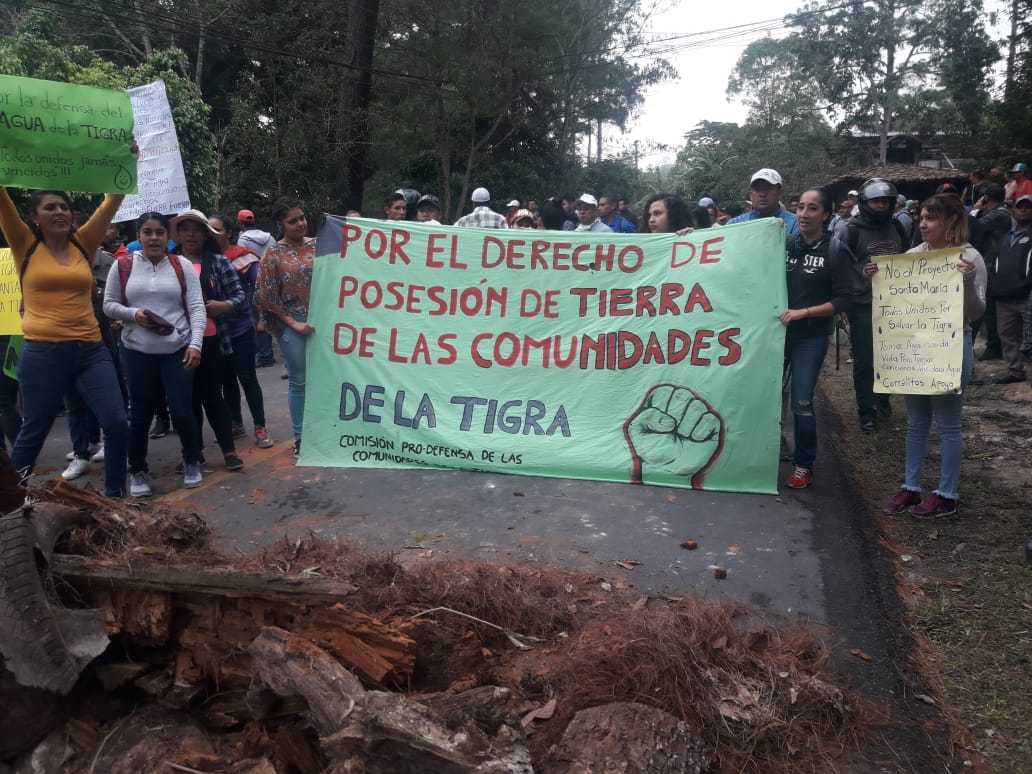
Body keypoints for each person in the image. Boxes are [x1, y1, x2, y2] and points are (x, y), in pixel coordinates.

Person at [0, 178, 133, 497]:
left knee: (116, 424)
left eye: (64, 206)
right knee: (33, 432)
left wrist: (123, 160)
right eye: (50, 207)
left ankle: (115, 499)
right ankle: (11, 507)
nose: (59, 211)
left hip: (91, 352)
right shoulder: (24, 244)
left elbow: (113, 198)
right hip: (43, 355)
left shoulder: (83, 243)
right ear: (35, 217)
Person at [870, 194, 986, 518]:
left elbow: (977, 312)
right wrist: (878, 280)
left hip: (949, 347)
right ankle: (910, 487)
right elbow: (897, 302)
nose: (922, 224)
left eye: (930, 218)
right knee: (916, 424)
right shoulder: (912, 256)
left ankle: (946, 494)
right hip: (914, 346)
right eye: (921, 217)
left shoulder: (969, 256)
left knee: (949, 425)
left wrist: (968, 278)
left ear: (950, 220)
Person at [103, 212, 207, 495]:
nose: (153, 238)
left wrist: (195, 344)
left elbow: (197, 307)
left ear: (167, 236)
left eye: (159, 232)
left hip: (177, 349)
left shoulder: (181, 265)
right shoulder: (122, 265)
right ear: (138, 236)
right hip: (137, 352)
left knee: (183, 411)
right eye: (147, 232)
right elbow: (109, 305)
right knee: (140, 414)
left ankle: (191, 460)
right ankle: (137, 470)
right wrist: (133, 314)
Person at [779, 189, 854, 489]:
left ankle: (803, 465)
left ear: (826, 214)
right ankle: (761, 454)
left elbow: (844, 299)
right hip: (777, 335)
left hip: (811, 337)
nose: (804, 214)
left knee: (801, 401)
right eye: (800, 207)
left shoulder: (835, 250)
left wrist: (804, 312)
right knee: (765, 397)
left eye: (812, 209)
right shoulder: (785, 245)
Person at [173, 209, 246, 473]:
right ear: (178, 234)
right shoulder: (168, 262)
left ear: (205, 234)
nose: (190, 234)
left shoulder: (217, 262)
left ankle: (229, 451)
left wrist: (222, 305)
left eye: (196, 229)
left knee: (213, 397)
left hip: (212, 340)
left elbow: (240, 297)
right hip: (177, 342)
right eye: (185, 229)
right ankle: (194, 454)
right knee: (186, 401)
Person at [842, 178, 909, 432]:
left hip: (893, 304)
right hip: (863, 305)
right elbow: (840, 267)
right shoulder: (851, 230)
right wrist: (861, 271)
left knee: (890, 357)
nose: (881, 206)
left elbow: (908, 259)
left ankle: (883, 397)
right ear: (865, 202)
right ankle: (866, 410)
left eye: (886, 201)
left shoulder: (899, 228)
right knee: (865, 361)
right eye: (876, 201)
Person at [254, 197, 316, 457]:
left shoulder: (320, 246)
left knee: (326, 380)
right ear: (281, 224)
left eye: (302, 218)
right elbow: (265, 296)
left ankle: (326, 432)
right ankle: (302, 437)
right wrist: (293, 323)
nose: (300, 224)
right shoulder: (272, 254)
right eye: (293, 221)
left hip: (323, 320)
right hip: (293, 325)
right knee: (299, 382)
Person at [209, 214, 275, 448]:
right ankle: (235, 423)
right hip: (215, 331)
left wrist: (259, 318)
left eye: (217, 229)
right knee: (226, 380)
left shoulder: (243, 257)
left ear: (228, 232)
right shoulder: (202, 258)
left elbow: (259, 287)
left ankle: (260, 426)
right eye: (208, 228)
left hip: (240, 327)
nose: (212, 233)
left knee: (247, 377)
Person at [987, 194, 1032, 383]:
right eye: (1020, 207)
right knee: (1007, 336)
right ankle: (1015, 371)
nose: (1023, 210)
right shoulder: (1005, 237)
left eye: (1028, 207)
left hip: (1027, 295)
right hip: (1004, 297)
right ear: (1013, 210)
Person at [236, 209, 277, 368]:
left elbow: (242, 264)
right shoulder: (270, 237)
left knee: (255, 319)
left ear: (239, 223)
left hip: (252, 284)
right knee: (267, 317)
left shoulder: (243, 240)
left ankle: (263, 355)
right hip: (271, 281)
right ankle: (267, 355)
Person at [725, 169, 799, 234]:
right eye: (757, 189)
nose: (762, 194)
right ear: (751, 195)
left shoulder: (796, 223)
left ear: (780, 193)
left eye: (768, 188)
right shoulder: (734, 225)